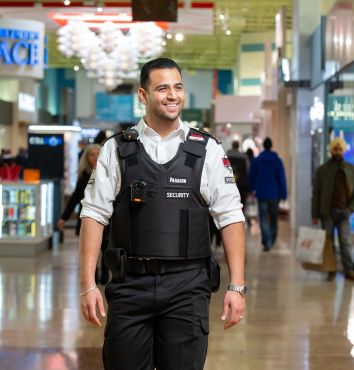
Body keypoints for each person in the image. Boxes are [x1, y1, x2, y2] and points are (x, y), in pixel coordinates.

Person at [79, 58, 246, 370]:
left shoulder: (207, 149)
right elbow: (93, 215)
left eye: (178, 87)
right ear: (143, 95)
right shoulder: (115, 150)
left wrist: (237, 286)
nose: (173, 95)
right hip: (129, 287)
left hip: (188, 287)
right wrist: (88, 283)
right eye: (163, 88)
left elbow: (231, 216)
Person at [57, 144, 110, 284]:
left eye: (98, 153)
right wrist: (64, 217)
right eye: (92, 154)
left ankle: (104, 274)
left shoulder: (109, 172)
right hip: (88, 216)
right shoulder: (84, 175)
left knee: (106, 247)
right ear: (87, 158)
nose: (96, 157)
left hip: (106, 217)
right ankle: (92, 278)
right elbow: (75, 197)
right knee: (90, 249)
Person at [312, 138, 354, 282]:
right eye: (335, 149)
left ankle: (349, 271)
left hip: (344, 212)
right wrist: (314, 214)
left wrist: (350, 207)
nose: (337, 152)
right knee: (328, 244)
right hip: (327, 212)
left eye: (340, 149)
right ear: (331, 150)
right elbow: (317, 193)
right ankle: (330, 270)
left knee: (345, 242)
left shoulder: (350, 169)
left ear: (343, 151)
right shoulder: (323, 170)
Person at [248, 137, 287, 251]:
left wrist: (250, 190)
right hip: (275, 195)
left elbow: (251, 177)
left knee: (263, 219)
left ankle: (267, 241)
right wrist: (284, 194)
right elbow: (282, 179)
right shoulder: (278, 161)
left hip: (262, 194)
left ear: (263, 146)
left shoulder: (257, 161)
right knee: (274, 219)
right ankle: (271, 240)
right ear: (271, 146)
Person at [227, 140, 250, 207]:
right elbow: (248, 170)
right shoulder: (244, 157)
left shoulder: (226, 156)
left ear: (232, 146)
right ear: (238, 146)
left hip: (229, 183)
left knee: (229, 203)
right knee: (240, 203)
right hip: (241, 184)